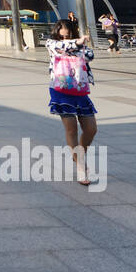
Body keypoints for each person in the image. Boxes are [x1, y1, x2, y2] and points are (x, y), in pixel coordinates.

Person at [46, 19, 97, 186]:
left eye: (68, 29)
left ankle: (79, 154)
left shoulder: (79, 46)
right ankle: (81, 166)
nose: (65, 32)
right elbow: (59, 48)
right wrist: (77, 44)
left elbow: (90, 55)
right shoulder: (51, 43)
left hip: (79, 89)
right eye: (62, 29)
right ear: (57, 30)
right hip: (61, 90)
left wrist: (77, 45)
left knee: (91, 129)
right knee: (71, 128)